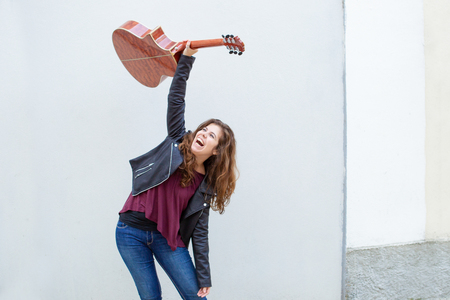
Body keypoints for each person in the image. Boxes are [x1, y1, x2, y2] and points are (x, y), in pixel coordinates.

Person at [115, 42, 238, 300]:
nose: (202, 133)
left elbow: (200, 232)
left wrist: (203, 277)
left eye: (211, 135)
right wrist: (187, 59)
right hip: (130, 232)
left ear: (216, 150)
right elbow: (176, 98)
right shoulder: (176, 142)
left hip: (166, 239)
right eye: (203, 129)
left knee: (196, 297)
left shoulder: (206, 184)